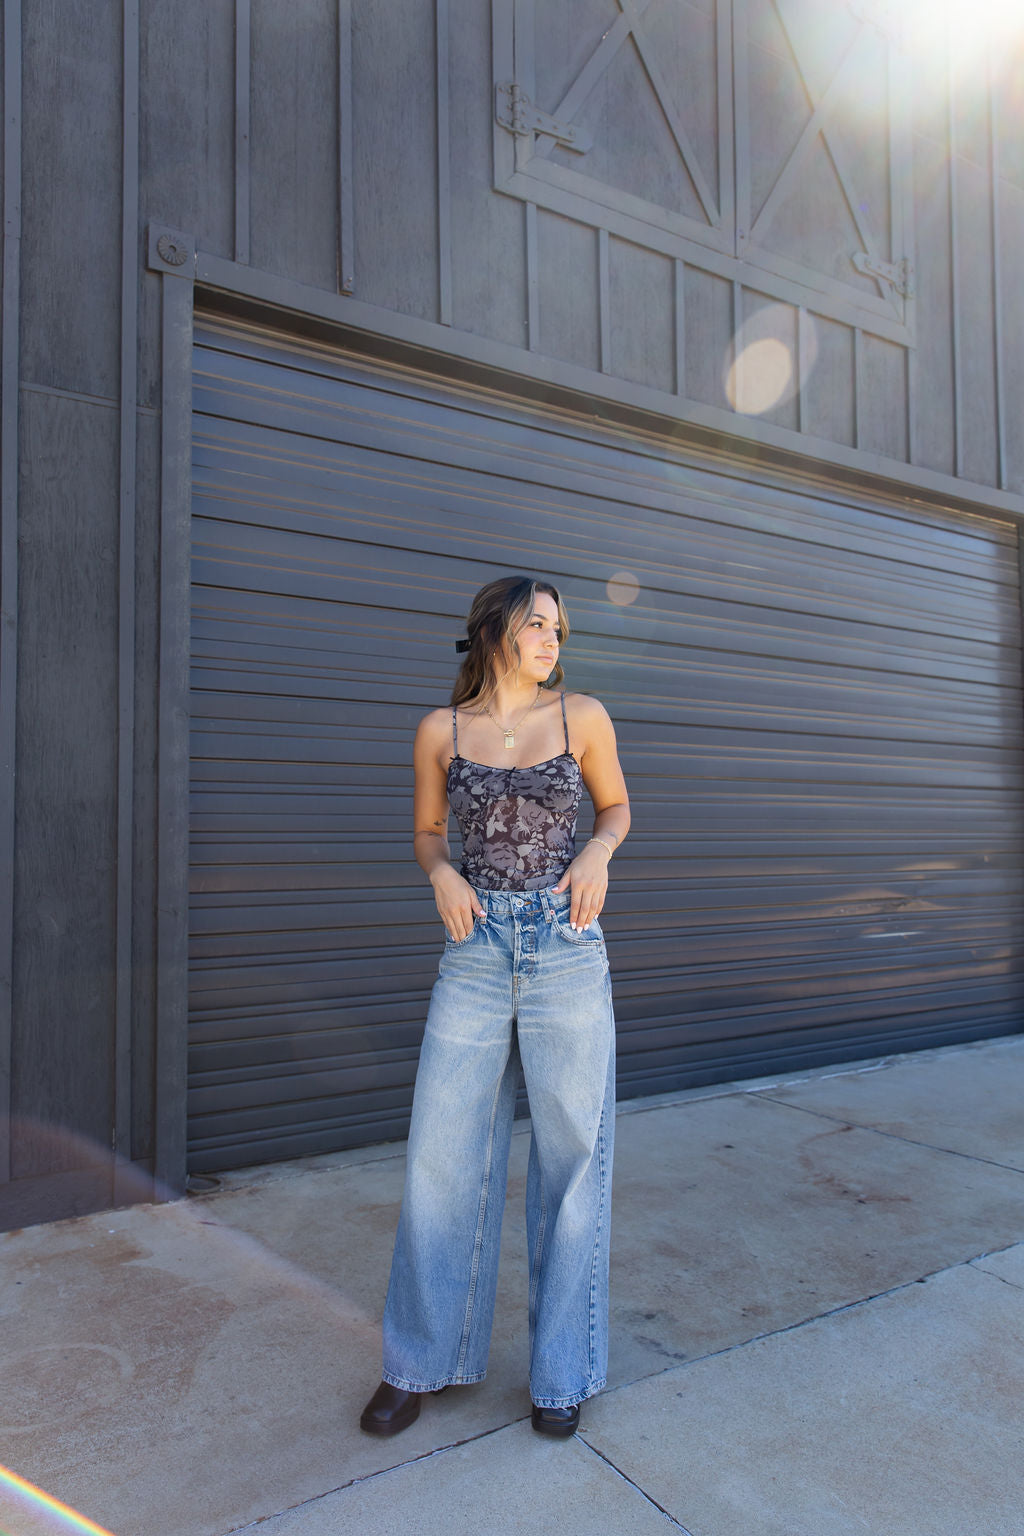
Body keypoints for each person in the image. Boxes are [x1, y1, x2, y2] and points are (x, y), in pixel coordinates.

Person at [359, 574, 630, 1439]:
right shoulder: (441, 731)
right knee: (440, 1158)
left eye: (561, 628)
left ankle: (562, 1375)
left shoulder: (581, 716)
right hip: (474, 953)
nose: (554, 640)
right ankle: (418, 1362)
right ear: (495, 631)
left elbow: (617, 807)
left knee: (573, 1162)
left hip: (564, 946)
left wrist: (597, 854)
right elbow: (427, 832)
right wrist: (439, 872)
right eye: (538, 625)